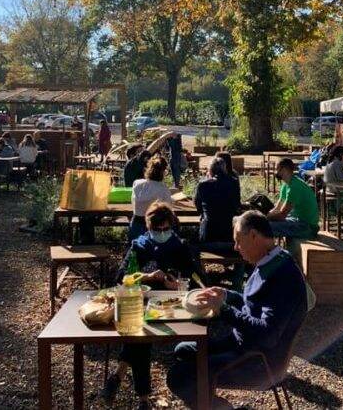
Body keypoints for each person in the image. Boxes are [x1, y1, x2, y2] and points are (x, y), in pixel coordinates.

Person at [167, 210, 308, 409]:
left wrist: (224, 310)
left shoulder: (283, 275)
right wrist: (226, 295)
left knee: (179, 376)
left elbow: (267, 334)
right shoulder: (270, 261)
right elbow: (253, 303)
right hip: (242, 344)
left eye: (238, 241)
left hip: (259, 360)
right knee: (183, 350)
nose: (235, 247)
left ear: (253, 236)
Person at [103, 202, 201, 410]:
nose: (162, 233)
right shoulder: (139, 246)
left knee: (139, 336)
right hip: (142, 302)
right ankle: (143, 398)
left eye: (166, 229)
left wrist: (177, 284)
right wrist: (146, 276)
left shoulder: (180, 247)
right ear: (149, 228)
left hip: (173, 305)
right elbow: (121, 279)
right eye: (158, 229)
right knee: (140, 337)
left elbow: (196, 277)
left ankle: (121, 376)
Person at [267, 158, 319, 241]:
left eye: (277, 169)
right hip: (297, 220)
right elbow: (278, 208)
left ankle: (272, 252)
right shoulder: (286, 185)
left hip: (308, 227)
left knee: (265, 227)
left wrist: (265, 217)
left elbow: (282, 215)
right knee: (264, 225)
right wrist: (267, 215)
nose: (276, 172)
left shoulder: (295, 186)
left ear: (284, 170)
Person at [194, 157, 241, 244]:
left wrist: (204, 213)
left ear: (210, 170)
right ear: (224, 169)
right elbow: (237, 205)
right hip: (228, 234)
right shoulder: (233, 183)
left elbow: (198, 205)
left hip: (208, 234)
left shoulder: (203, 185)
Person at [130, 155, 172, 240]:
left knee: (135, 248)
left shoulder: (137, 183)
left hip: (136, 223)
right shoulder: (163, 188)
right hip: (153, 224)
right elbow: (168, 209)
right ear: (164, 172)